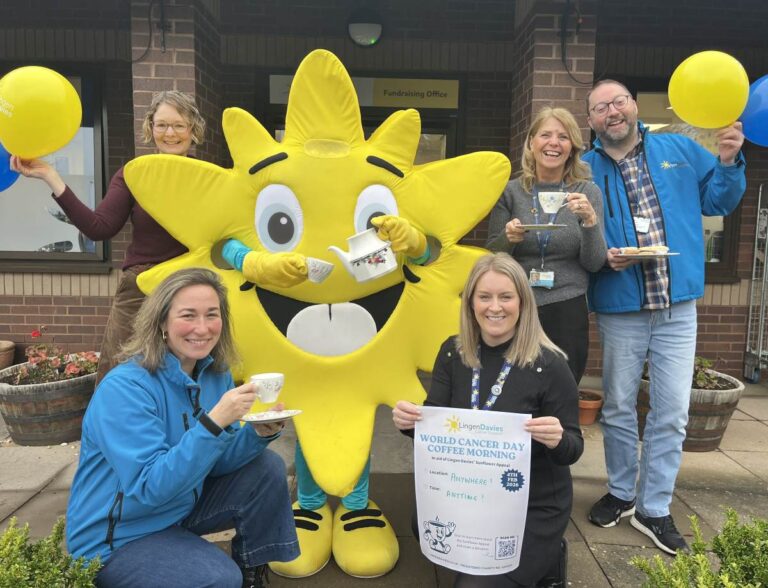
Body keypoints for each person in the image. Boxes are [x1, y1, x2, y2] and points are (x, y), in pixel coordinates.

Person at [582, 80, 746, 555]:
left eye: (618, 102)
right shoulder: (585, 168)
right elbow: (579, 238)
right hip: (620, 307)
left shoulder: (679, 148)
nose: (611, 112)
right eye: (599, 108)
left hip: (677, 307)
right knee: (616, 407)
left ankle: (654, 508)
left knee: (671, 414)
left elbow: (717, 200)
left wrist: (731, 160)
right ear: (590, 120)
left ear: (633, 106)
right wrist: (601, 257)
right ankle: (620, 492)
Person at [65, 267, 300, 588]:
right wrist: (215, 422)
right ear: (161, 322)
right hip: (119, 536)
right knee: (217, 578)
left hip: (177, 506)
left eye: (211, 315)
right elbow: (149, 488)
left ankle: (252, 575)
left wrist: (257, 434)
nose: (202, 328)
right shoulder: (125, 389)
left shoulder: (215, 375)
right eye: (188, 315)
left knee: (267, 467)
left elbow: (215, 462)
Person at [393, 252, 583, 587]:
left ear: (523, 303)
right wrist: (410, 423)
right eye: (485, 297)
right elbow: (434, 423)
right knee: (420, 525)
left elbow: (573, 447)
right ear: (470, 304)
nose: (495, 307)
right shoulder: (453, 354)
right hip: (472, 495)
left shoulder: (549, 364)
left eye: (506, 297)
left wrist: (558, 440)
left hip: (531, 505)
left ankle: (545, 557)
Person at [11, 91, 206, 382]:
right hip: (140, 288)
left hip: (191, 285)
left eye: (179, 125)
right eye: (162, 124)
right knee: (120, 374)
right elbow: (98, 227)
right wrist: (51, 177)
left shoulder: (208, 177)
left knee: (195, 372)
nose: (170, 133)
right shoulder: (132, 175)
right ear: (150, 128)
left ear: (193, 129)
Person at [486, 106, 606, 385]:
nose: (554, 143)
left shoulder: (586, 192)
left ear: (572, 147)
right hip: (517, 304)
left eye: (563, 137)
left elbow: (594, 262)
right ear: (531, 142)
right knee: (513, 385)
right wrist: (509, 239)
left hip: (567, 305)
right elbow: (493, 254)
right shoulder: (512, 191)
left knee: (562, 386)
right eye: (546, 135)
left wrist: (590, 221)